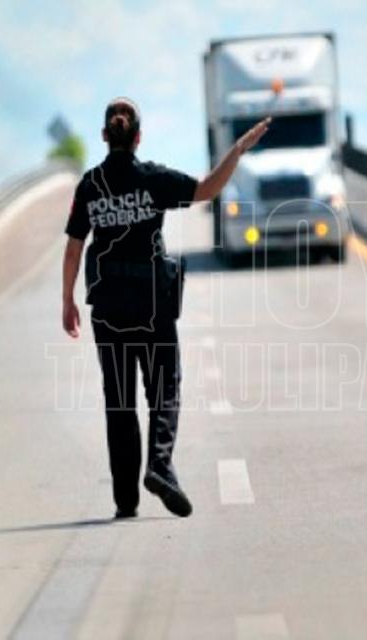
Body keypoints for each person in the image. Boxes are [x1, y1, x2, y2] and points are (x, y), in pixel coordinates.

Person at [61, 97, 269, 519]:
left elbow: (74, 247)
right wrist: (238, 150)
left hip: (108, 308)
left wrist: (67, 300)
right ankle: (159, 464)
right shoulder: (152, 178)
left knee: (119, 401)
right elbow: (207, 189)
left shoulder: (89, 185)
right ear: (138, 137)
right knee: (164, 388)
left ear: (104, 136)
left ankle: (125, 501)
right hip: (151, 305)